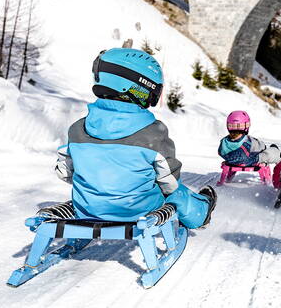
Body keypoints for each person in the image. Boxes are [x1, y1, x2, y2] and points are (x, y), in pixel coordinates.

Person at [54, 48, 217, 229]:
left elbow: (64, 172)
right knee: (176, 194)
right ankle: (200, 212)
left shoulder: (77, 129)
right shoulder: (153, 132)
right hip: (139, 212)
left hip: (87, 209)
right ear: (140, 87)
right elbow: (169, 181)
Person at [217, 110, 280, 185]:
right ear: (246, 125)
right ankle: (276, 151)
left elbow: (220, 152)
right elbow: (261, 147)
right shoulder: (249, 141)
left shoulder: (223, 142)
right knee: (268, 154)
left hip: (231, 161)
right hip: (250, 161)